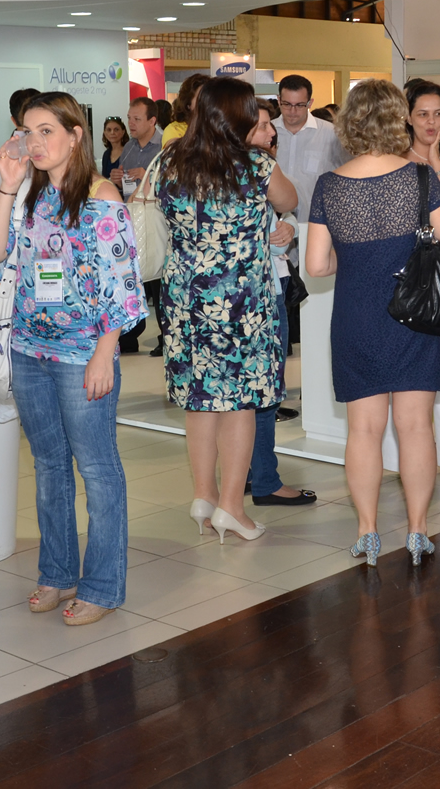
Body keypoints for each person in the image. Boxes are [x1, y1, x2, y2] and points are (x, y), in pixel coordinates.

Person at [0, 92, 147, 626]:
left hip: (81, 354)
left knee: (97, 468)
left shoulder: (101, 197)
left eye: (47, 130)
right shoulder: (28, 195)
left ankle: (102, 585)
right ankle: (57, 572)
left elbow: (122, 285)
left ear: (75, 136)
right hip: (29, 350)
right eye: (27, 132)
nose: (35, 142)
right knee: (48, 467)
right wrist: (7, 186)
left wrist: (104, 354)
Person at [306, 80, 440, 563]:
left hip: (356, 316)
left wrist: (354, 261)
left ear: (349, 123)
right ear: (399, 119)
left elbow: (316, 265)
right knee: (416, 427)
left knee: (363, 431)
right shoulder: (419, 178)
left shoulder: (329, 185)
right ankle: (417, 531)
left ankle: (368, 532)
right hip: (415, 315)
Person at [157, 77, 297, 543]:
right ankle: (232, 509)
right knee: (239, 402)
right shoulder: (256, 165)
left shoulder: (170, 161)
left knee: (200, 400)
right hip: (240, 301)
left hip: (185, 299)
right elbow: (289, 201)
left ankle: (204, 496)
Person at [244, 105, 314, 506]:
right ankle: (265, 479)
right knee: (266, 389)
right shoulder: (255, 167)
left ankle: (247, 473)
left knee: (242, 392)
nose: (271, 132)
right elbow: (284, 204)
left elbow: (283, 212)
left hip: (246, 291)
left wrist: (285, 224)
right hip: (263, 291)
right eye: (262, 126)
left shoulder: (213, 168)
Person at [272, 73, 349, 349]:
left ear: (310, 102)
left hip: (315, 229)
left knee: (315, 300)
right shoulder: (267, 132)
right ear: (278, 101)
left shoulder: (330, 134)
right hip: (275, 230)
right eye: (286, 104)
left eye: (299, 105)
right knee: (281, 297)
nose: (292, 112)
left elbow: (345, 177)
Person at [120, 97, 167, 355]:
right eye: (129, 118)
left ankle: (166, 336)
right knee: (134, 283)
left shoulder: (164, 146)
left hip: (155, 222)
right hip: (132, 219)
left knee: (158, 285)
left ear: (152, 121)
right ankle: (129, 336)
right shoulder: (128, 147)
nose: (131, 123)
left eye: (137, 119)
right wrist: (117, 177)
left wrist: (146, 177)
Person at [163, 74, 206, 147]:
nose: (206, 101)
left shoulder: (218, 127)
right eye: (201, 98)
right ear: (188, 104)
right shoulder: (174, 130)